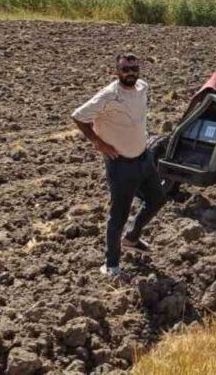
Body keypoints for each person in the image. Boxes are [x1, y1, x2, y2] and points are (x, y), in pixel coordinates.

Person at [72, 53, 167, 278]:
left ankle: (131, 238)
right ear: (117, 72)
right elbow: (78, 116)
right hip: (121, 164)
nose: (130, 73)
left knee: (158, 199)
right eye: (126, 69)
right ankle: (111, 264)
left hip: (144, 157)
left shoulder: (143, 87)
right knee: (118, 216)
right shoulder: (108, 96)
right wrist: (98, 142)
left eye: (134, 68)